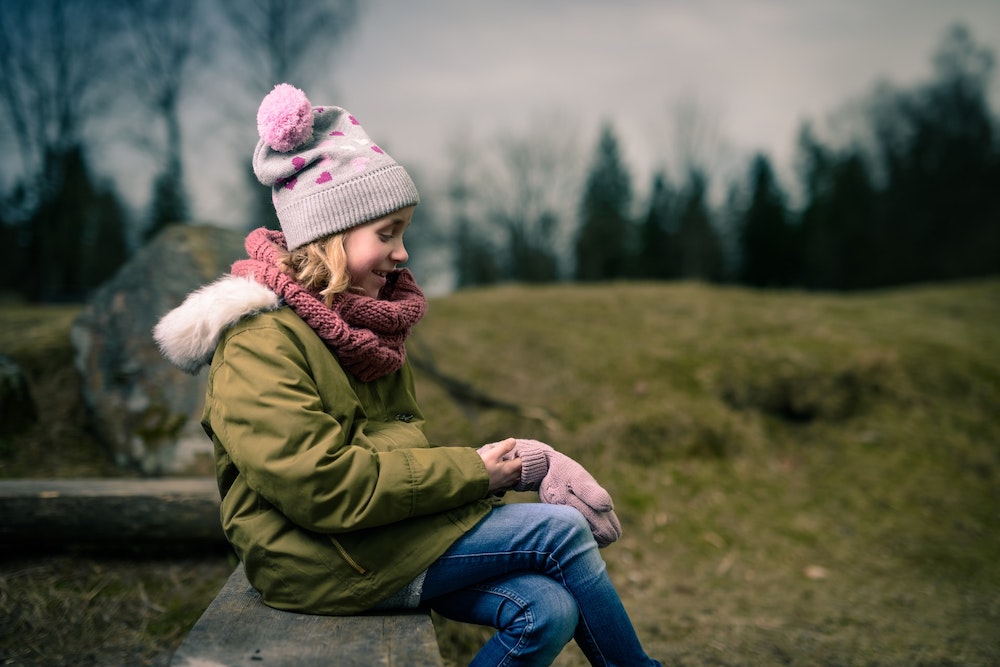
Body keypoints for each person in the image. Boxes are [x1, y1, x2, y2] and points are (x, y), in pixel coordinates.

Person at [154, 83, 661, 667]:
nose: (403, 254)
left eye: (404, 233)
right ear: (329, 237)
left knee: (546, 611)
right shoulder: (259, 344)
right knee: (559, 531)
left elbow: (392, 454)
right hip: (316, 559)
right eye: (386, 233)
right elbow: (322, 485)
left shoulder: (362, 332)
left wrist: (508, 464)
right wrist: (480, 472)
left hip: (372, 539)